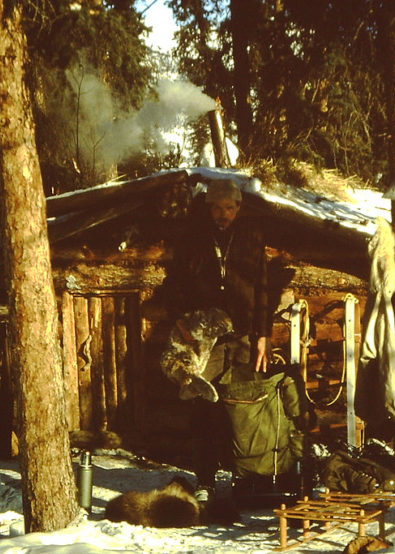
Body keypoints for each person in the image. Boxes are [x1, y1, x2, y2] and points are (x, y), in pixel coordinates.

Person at [166, 177, 270, 501]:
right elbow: (179, 288)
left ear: (238, 208)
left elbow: (263, 290)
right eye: (217, 208)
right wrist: (187, 328)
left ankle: (243, 478)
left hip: (241, 338)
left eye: (229, 208)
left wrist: (263, 336)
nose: (223, 214)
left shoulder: (252, 240)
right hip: (205, 342)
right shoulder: (194, 240)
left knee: (242, 408)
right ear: (209, 209)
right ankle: (206, 480)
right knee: (204, 406)